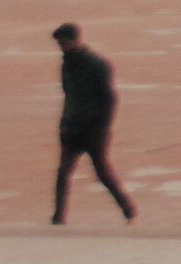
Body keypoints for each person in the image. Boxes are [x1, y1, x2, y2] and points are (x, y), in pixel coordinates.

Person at [51, 24, 136, 225]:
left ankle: (129, 210)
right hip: (71, 130)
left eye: (65, 43)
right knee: (63, 172)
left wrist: (102, 127)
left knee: (103, 172)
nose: (62, 47)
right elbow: (68, 95)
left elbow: (110, 98)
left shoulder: (99, 64)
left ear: (76, 40)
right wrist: (64, 122)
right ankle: (58, 218)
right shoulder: (66, 65)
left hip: (94, 132)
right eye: (60, 44)